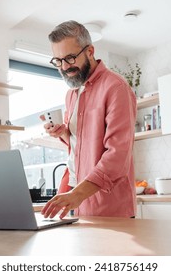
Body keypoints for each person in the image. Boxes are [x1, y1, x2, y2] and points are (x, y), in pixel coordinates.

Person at [41, 20, 137, 219]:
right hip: (75, 203)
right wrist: (64, 133)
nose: (64, 67)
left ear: (90, 51)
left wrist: (78, 194)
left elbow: (117, 155)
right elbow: (80, 146)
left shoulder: (116, 88)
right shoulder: (72, 94)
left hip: (108, 209)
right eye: (58, 60)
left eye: (70, 57)